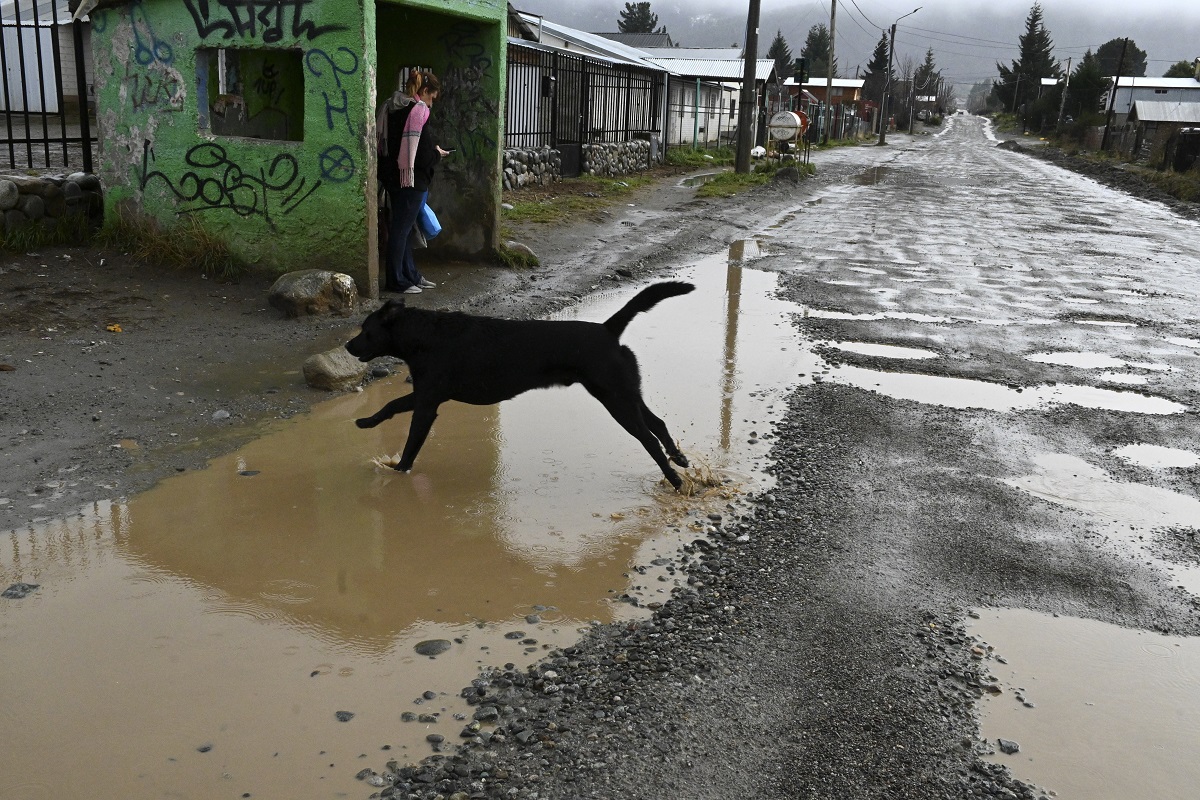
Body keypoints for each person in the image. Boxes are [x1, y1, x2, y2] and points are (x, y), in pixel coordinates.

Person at [378, 69, 449, 293]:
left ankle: (410, 275)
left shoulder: (391, 106)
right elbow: (422, 155)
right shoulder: (417, 111)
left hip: (392, 177)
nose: (430, 105)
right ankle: (396, 281)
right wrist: (437, 153)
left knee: (405, 229)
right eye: (431, 98)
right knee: (401, 230)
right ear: (425, 91)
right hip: (410, 180)